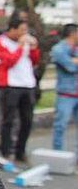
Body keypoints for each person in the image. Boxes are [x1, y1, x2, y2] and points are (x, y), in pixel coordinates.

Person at [0, 15, 40, 163]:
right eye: (22, 30)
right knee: (8, 120)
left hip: (28, 85)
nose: (25, 33)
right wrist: (19, 47)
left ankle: (21, 152)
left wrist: (34, 48)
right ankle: (6, 151)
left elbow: (34, 61)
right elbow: (8, 61)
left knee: (27, 120)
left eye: (26, 30)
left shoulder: (26, 42)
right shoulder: (0, 42)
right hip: (10, 85)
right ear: (12, 29)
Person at [50, 23, 78, 153]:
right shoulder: (58, 49)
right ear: (72, 33)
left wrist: (73, 61)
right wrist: (73, 62)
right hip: (65, 94)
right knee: (60, 126)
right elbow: (70, 67)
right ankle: (58, 154)